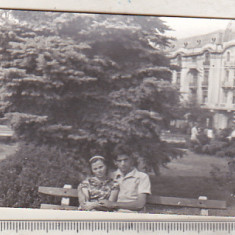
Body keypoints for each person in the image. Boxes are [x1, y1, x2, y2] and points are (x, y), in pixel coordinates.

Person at [98, 146, 151, 212]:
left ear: (131, 160)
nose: (123, 164)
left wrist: (114, 204)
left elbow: (140, 204)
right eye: (119, 161)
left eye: (125, 160)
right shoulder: (111, 176)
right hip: (113, 215)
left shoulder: (142, 177)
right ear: (115, 162)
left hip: (133, 215)